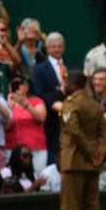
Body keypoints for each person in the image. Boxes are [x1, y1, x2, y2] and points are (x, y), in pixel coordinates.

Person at [59, 70, 106, 210]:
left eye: (66, 82)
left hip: (74, 162)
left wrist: (90, 153)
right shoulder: (94, 104)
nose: (64, 85)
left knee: (70, 207)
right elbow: (104, 132)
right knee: (92, 207)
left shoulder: (70, 103)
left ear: (73, 84)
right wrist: (99, 154)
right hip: (94, 164)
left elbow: (74, 131)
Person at [32, 32, 67, 165]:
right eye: (53, 47)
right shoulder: (40, 69)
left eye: (59, 46)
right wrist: (53, 103)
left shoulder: (69, 66)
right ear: (47, 49)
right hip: (50, 119)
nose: (57, 49)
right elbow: (38, 92)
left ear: (63, 48)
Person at [5, 77, 47, 176]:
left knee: (37, 176)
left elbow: (41, 117)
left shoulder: (36, 101)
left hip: (35, 148)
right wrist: (9, 107)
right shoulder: (6, 103)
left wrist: (25, 104)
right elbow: (4, 126)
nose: (17, 87)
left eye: (19, 84)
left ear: (26, 87)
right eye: (13, 84)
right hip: (13, 149)